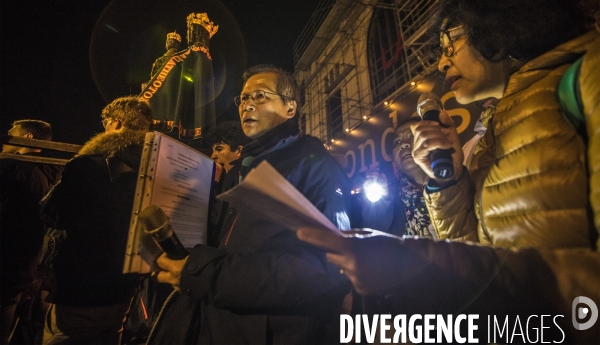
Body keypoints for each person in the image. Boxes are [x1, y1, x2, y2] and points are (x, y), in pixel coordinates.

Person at [297, 0, 600, 344]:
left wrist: (419, 266)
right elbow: (482, 258)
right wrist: (448, 181)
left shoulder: (585, 77)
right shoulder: (495, 129)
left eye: (450, 44)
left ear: (499, 26)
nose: (442, 64)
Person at [150, 64, 353, 344]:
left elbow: (326, 268)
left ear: (290, 108)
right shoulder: (242, 168)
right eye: (243, 98)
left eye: (260, 96)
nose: (247, 105)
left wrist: (209, 274)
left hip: (278, 331)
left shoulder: (316, 167)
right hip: (222, 325)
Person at [40, 96, 153, 345]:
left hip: (81, 284)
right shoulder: (155, 169)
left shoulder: (87, 165)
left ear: (115, 123)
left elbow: (51, 213)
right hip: (125, 285)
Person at [1, 120, 62, 345]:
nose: (7, 135)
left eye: (12, 132)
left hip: (6, 251)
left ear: (27, 138)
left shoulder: (10, 166)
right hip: (30, 256)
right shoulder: (55, 169)